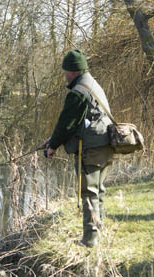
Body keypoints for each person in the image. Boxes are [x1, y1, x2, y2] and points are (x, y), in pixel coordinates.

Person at [42, 49, 114, 247]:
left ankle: (90, 240)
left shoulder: (78, 92)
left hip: (91, 149)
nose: (64, 75)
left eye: (65, 71)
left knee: (89, 193)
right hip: (105, 145)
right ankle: (99, 231)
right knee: (98, 190)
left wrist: (53, 146)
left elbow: (67, 123)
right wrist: (53, 139)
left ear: (72, 71)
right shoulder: (92, 84)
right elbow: (83, 120)